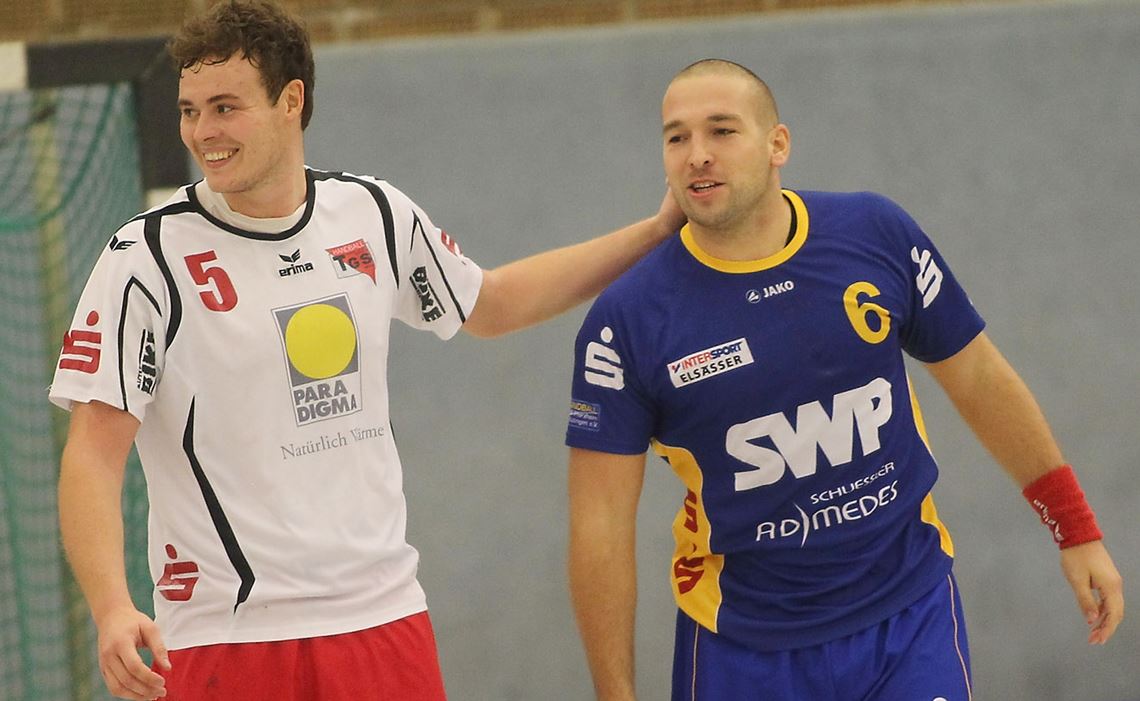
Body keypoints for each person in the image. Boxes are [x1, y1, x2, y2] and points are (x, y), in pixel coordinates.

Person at [48, 2, 683, 700]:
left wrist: (653, 233)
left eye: (225, 107)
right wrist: (111, 606)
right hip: (227, 633)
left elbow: (490, 303)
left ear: (291, 101)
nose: (203, 132)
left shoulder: (373, 212)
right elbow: (92, 454)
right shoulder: (146, 257)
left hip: (383, 617)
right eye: (189, 109)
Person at [565, 58, 1123, 701]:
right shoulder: (628, 321)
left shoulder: (873, 234)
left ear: (778, 144)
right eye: (676, 137)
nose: (697, 156)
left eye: (722, 131)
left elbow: (977, 375)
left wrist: (1075, 527)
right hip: (743, 647)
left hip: (908, 619)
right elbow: (601, 522)